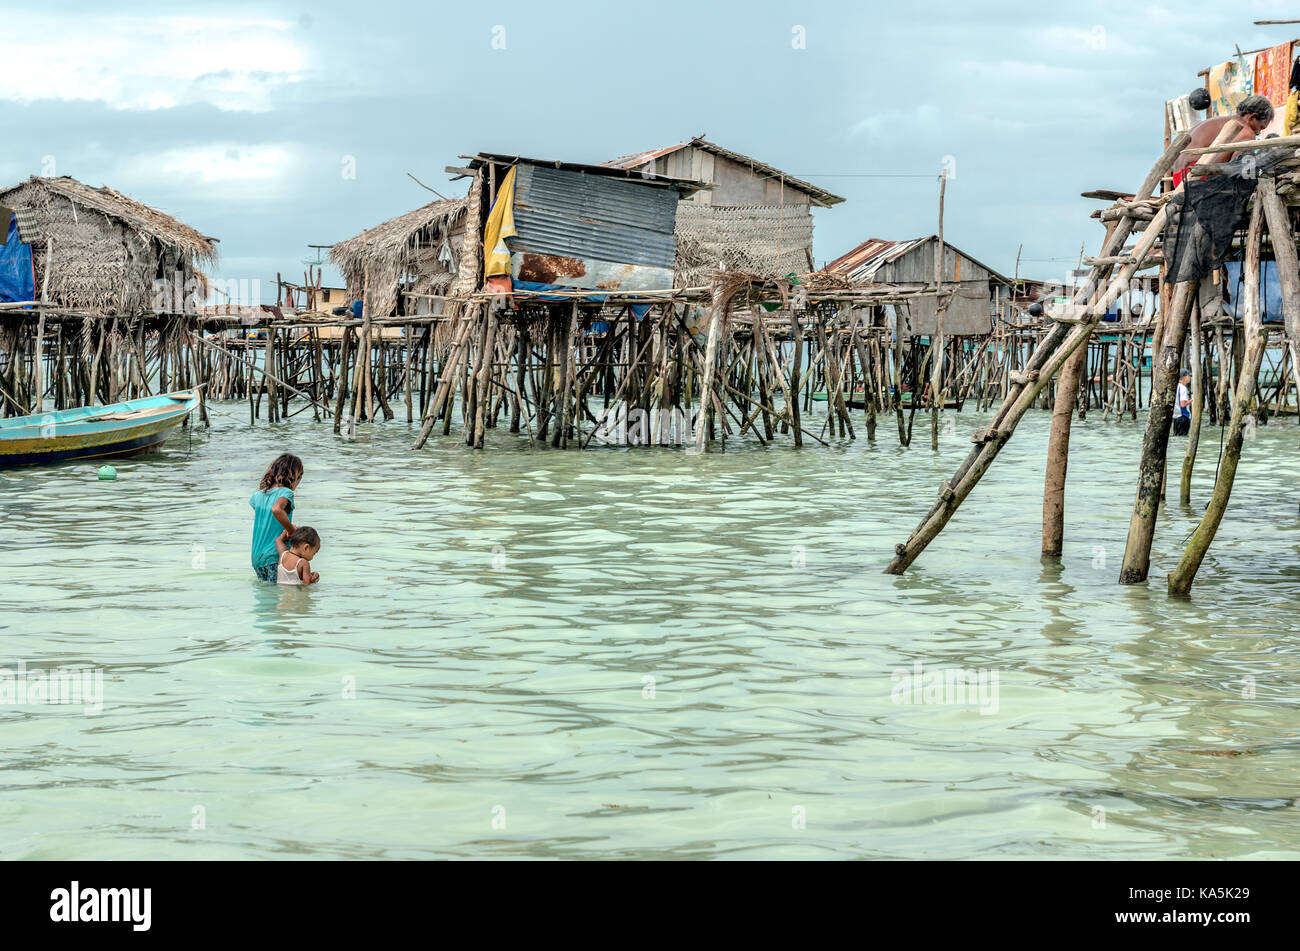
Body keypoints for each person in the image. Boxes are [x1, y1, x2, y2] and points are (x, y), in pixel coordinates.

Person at [1173, 95, 1275, 187]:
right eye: (1260, 127)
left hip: (1178, 177)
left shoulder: (1219, 121)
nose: (1258, 133)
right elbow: (1240, 168)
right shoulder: (1246, 131)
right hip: (1195, 176)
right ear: (1252, 117)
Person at [250, 453, 303, 582]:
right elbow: (276, 509)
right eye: (299, 477)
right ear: (292, 476)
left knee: (267, 595)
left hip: (257, 557)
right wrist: (292, 531)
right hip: (275, 554)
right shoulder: (286, 492)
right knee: (280, 595)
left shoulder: (257, 495)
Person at [1172, 369, 1193, 436]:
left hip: (1175, 417)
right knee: (1183, 436)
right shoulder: (1183, 388)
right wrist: (1192, 400)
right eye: (1188, 375)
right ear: (1184, 377)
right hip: (1183, 416)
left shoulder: (1176, 386)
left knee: (1177, 436)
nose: (1190, 377)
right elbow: (1183, 404)